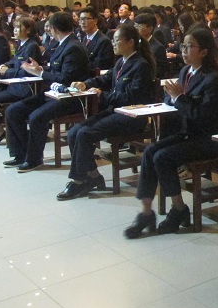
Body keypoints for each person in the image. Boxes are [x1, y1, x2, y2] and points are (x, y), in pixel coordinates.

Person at [123, 27, 218, 237]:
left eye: (190, 46)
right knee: (150, 151)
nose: (184, 50)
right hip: (189, 133)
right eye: (183, 46)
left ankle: (178, 208)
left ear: (204, 52)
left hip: (210, 138)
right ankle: (146, 212)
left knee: (163, 157)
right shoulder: (186, 72)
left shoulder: (214, 79)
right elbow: (170, 98)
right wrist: (175, 98)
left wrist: (180, 98)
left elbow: (203, 116)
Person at [57, 25, 157, 200]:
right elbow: (104, 78)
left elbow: (131, 97)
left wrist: (102, 95)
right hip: (115, 111)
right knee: (74, 132)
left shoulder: (141, 65)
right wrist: (86, 84)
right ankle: (93, 175)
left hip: (132, 116)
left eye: (117, 40)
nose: (113, 44)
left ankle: (79, 181)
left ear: (130, 42)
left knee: (85, 133)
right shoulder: (121, 62)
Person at [3, 12, 90, 172]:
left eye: (49, 27)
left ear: (55, 28)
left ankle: (34, 159)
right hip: (54, 94)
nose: (48, 30)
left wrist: (41, 73)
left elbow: (66, 78)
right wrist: (40, 68)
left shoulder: (73, 47)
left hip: (70, 97)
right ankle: (20, 154)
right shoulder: (62, 44)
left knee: (36, 117)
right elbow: (55, 69)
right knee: (13, 111)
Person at [0, 17, 42, 145]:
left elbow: (28, 71)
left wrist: (7, 71)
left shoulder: (32, 46)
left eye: (18, 27)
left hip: (24, 88)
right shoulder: (22, 44)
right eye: (15, 27)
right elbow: (15, 61)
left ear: (28, 30)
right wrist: (6, 64)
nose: (15, 30)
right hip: (14, 85)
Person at [78, 6, 115, 74]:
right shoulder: (85, 38)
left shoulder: (104, 41)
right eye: (81, 19)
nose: (82, 22)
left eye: (85, 19)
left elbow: (100, 66)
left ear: (95, 21)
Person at [134, 13, 168, 79]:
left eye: (139, 26)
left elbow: (159, 72)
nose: (136, 29)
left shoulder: (158, 47)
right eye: (135, 26)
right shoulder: (134, 44)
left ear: (150, 29)